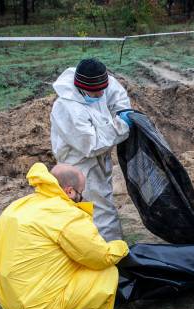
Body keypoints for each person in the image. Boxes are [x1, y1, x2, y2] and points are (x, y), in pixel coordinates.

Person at [0, 162, 130, 309]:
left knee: (42, 267)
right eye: (81, 191)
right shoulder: (66, 216)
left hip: (11, 299)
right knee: (106, 273)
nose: (83, 195)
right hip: (38, 304)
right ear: (70, 191)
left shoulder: (22, 205)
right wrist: (121, 247)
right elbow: (100, 257)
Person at [50, 58, 133, 241]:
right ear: (80, 87)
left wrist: (122, 111)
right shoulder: (66, 108)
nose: (99, 95)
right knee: (98, 209)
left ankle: (93, 246)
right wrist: (121, 126)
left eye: (101, 91)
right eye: (94, 93)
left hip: (100, 158)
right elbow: (92, 144)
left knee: (101, 200)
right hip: (79, 163)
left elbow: (116, 94)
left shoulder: (100, 82)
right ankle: (109, 251)